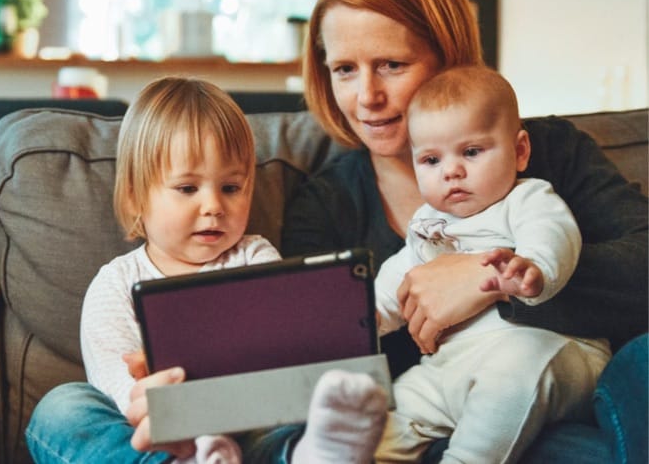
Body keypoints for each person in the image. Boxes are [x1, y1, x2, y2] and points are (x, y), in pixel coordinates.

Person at [279, 0, 647, 462]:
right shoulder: (325, 203)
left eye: (390, 64)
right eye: (344, 69)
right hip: (437, 417)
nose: (367, 97)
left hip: (569, 391)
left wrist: (487, 280)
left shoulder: (549, 153)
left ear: (446, 56)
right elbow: (320, 346)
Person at [26, 76, 387, 464]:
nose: (213, 205)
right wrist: (164, 403)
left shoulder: (255, 258)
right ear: (135, 197)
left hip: (248, 425)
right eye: (187, 188)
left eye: (231, 188)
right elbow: (118, 389)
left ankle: (312, 455)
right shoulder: (115, 284)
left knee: (293, 418)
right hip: (158, 434)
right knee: (62, 407)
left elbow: (278, 354)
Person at [371, 64, 611, 463]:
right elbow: (402, 277)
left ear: (520, 151)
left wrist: (534, 268)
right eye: (431, 160)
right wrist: (367, 317)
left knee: (511, 374)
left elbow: (553, 233)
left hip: (547, 351)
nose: (452, 171)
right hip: (451, 368)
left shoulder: (527, 198)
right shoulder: (427, 224)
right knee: (389, 413)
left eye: (471, 152)